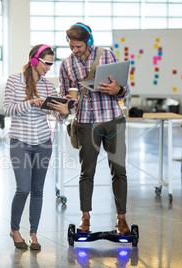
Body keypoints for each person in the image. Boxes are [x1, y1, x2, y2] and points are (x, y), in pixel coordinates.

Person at [58, 23, 131, 235]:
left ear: (88, 42)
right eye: (71, 46)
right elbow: (64, 95)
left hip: (112, 120)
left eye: (78, 46)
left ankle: (121, 218)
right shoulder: (66, 65)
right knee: (86, 172)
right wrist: (65, 102)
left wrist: (118, 89)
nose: (75, 50)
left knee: (119, 170)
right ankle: (85, 218)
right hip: (85, 122)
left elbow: (124, 90)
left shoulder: (107, 55)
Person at [4, 44, 70, 250]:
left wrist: (64, 111)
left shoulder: (49, 87)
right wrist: (31, 103)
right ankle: (15, 229)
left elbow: (57, 118)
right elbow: (7, 110)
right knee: (23, 189)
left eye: (51, 64)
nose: (49, 68)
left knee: (38, 190)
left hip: (43, 143)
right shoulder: (14, 80)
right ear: (34, 60)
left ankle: (33, 233)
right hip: (20, 142)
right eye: (46, 63)